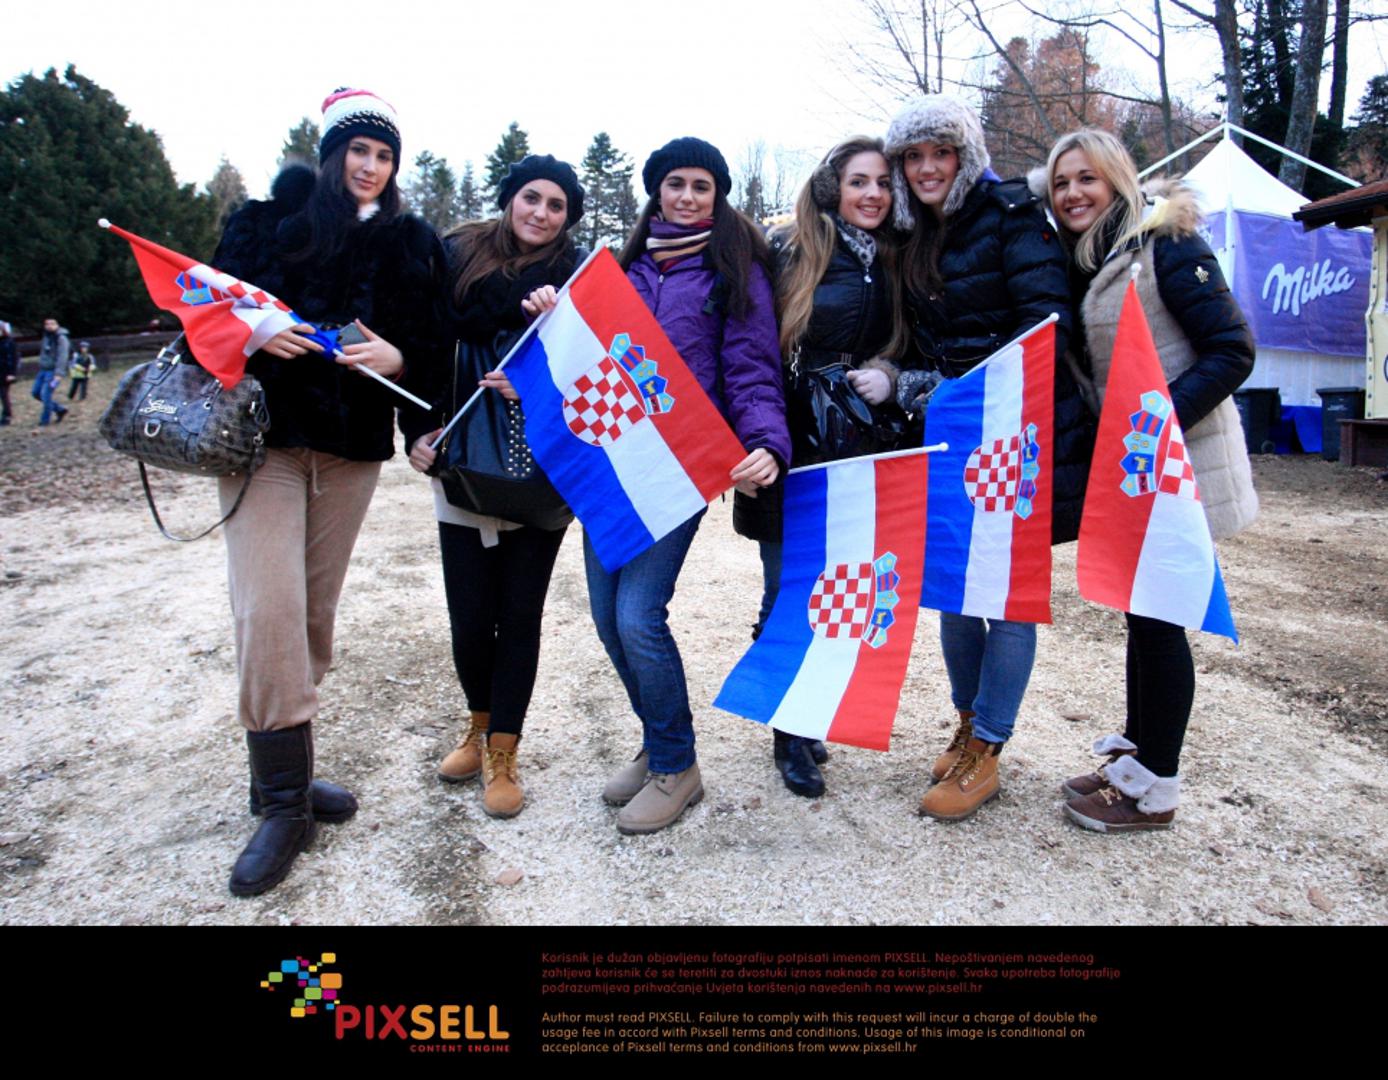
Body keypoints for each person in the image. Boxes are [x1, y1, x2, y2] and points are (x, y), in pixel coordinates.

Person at [210, 88, 443, 895]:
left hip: (349, 450)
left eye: (384, 155)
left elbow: (431, 341)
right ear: (332, 153)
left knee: (311, 615)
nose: (370, 167)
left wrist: (400, 360)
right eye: (359, 150)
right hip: (263, 442)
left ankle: (285, 772)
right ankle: (284, 807)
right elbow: (203, 312)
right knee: (268, 609)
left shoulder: (408, 242)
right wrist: (254, 329)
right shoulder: (263, 223)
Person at [532, 136, 789, 835]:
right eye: (675, 183)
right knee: (606, 615)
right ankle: (656, 740)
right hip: (610, 465)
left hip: (677, 467)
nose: (687, 197)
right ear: (656, 191)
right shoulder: (617, 272)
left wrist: (766, 441)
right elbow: (582, 356)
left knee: (639, 615)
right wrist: (551, 316)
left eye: (702, 186)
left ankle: (678, 766)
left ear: (718, 195)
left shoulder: (733, 274)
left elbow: (752, 368)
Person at [1045, 129, 1256, 832]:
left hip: (1175, 467)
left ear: (1118, 178)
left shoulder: (1168, 243)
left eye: (1086, 178)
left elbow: (1232, 350)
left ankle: (1157, 788)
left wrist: (1158, 423)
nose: (1073, 192)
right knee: (1143, 616)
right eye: (1061, 182)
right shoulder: (1095, 258)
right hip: (1135, 473)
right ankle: (1136, 761)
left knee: (1161, 623)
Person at [886, 95, 1080, 822]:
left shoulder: (1011, 213)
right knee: (953, 590)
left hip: (1010, 430)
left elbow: (1047, 322)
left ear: (965, 156)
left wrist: (966, 386)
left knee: (1005, 597)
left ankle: (990, 747)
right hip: (945, 430)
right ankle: (967, 724)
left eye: (941, 152)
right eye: (914, 155)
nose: (927, 167)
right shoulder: (912, 232)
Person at [403, 155, 586, 820]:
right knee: (471, 616)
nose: (542, 213)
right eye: (531, 197)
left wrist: (544, 373)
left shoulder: (578, 278)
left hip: (543, 473)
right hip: (464, 462)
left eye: (557, 205)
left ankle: (505, 749)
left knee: (520, 615)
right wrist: (416, 431)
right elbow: (424, 348)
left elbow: (604, 372)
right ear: (510, 199)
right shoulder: (455, 259)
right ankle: (479, 727)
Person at [732, 136, 909, 798]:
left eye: (883, 183)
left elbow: (912, 342)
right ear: (834, 187)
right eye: (859, 181)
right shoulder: (792, 249)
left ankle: (805, 713)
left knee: (842, 588)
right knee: (787, 587)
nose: (873, 194)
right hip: (792, 438)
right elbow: (750, 346)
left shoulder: (895, 256)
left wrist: (889, 371)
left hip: (861, 441)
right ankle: (786, 727)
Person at [32, 318, 70, 426]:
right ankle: (60, 409)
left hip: (53, 371)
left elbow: (63, 356)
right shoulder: (46, 337)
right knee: (36, 393)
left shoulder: (61, 338)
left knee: (45, 394)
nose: (49, 326)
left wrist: (59, 373)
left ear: (57, 325)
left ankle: (45, 420)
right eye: (47, 324)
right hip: (43, 370)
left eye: (52, 324)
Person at [0, 321, 16, 425]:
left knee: (4, 394)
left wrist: (11, 373)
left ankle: (7, 416)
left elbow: (13, 359)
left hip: (5, 372)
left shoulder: (9, 342)